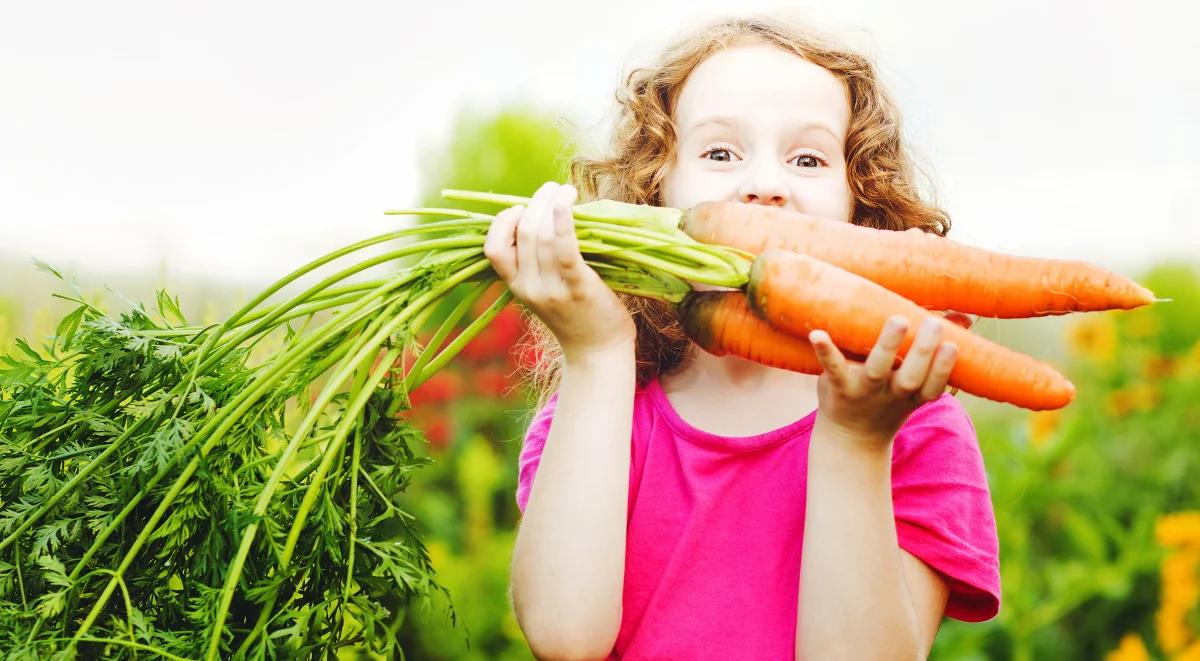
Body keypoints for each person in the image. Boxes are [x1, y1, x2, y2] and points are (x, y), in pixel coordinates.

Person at [485, 13, 1000, 660]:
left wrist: (856, 442)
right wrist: (595, 355)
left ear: (860, 205)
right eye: (720, 152)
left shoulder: (913, 425)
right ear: (655, 191)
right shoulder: (605, 409)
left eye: (808, 158)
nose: (764, 184)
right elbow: (564, 637)